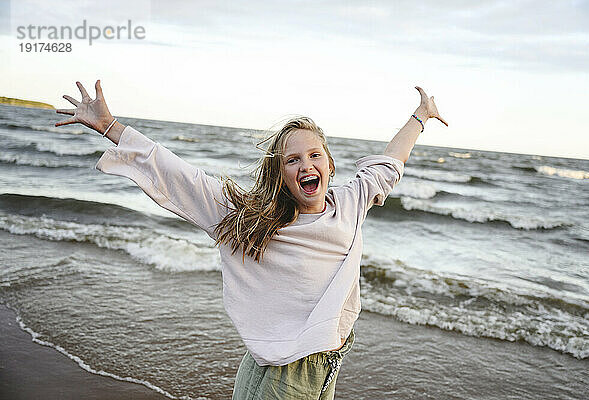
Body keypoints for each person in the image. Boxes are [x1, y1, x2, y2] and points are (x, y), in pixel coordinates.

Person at [55, 80, 447, 399]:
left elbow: (390, 162)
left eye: (314, 155)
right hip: (282, 375)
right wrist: (110, 127)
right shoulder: (251, 219)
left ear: (329, 163)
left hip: (320, 366)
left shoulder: (349, 201)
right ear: (280, 173)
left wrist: (420, 115)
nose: (306, 165)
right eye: (292, 160)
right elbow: (182, 178)